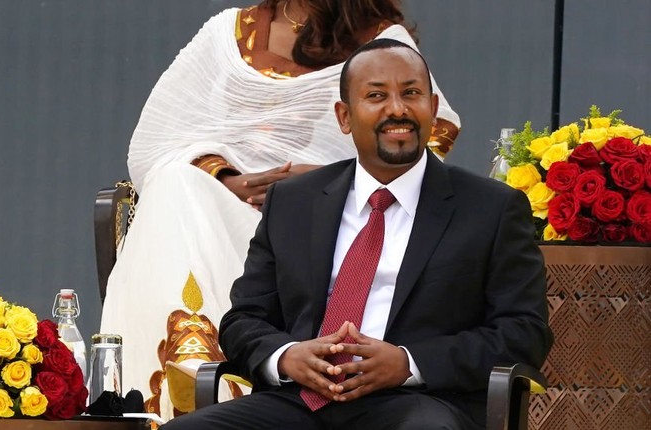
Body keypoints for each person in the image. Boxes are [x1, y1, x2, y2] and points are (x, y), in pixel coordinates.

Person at [161, 38, 553, 430]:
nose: (397, 109)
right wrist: (286, 356)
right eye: (376, 96)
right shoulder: (294, 202)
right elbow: (245, 318)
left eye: (411, 93)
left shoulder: (491, 208)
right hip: (298, 402)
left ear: (432, 110)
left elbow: (523, 333)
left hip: (418, 403)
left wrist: (407, 362)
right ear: (345, 117)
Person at [100, 0, 461, 419]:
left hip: (322, 230)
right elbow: (156, 142)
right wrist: (225, 178)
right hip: (218, 208)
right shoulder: (228, 32)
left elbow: (429, 137)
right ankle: (177, 385)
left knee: (181, 196)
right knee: (173, 184)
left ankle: (210, 385)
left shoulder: (380, 39)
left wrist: (329, 183)